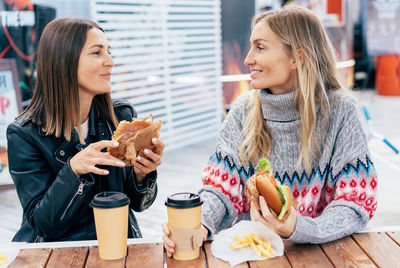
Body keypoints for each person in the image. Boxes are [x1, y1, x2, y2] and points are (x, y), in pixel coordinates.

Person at [163, 6, 377, 255]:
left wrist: (300, 227)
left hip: (325, 255)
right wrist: (199, 223)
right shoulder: (243, 109)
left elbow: (355, 202)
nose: (247, 59)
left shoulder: (342, 110)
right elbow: (221, 190)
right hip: (254, 256)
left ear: (298, 56)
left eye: (260, 47)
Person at [7, 17, 164, 242]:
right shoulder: (24, 134)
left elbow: (140, 204)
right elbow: (43, 225)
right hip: (55, 253)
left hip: (117, 244)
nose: (110, 61)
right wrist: (73, 171)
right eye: (97, 53)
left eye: (109, 51)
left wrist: (142, 174)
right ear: (64, 61)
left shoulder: (121, 117)